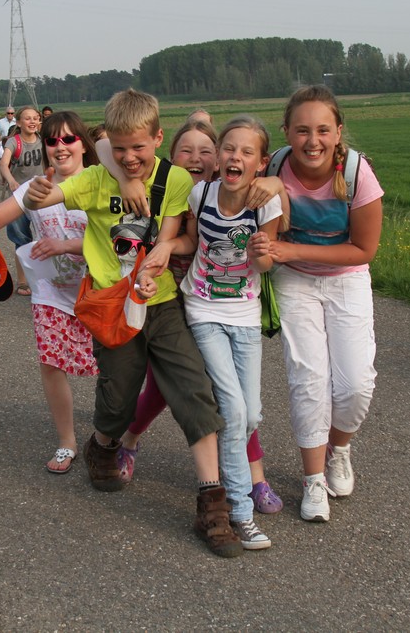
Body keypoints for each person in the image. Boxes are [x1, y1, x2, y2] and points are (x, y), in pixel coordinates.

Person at [25, 88, 242, 558]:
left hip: (160, 303)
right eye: (120, 148)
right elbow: (54, 194)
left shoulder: (176, 179)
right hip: (111, 306)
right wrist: (41, 195)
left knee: (193, 390)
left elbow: (170, 235)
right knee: (118, 399)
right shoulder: (96, 177)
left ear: (159, 139)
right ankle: (102, 443)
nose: (128, 157)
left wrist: (160, 255)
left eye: (138, 147)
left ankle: (212, 502)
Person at [112, 119, 286, 516]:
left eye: (205, 150)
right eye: (186, 151)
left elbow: (274, 208)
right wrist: (123, 179)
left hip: (220, 303)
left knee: (233, 396)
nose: (197, 158)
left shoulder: (241, 194)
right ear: (171, 159)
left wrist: (276, 184)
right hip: (168, 300)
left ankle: (254, 475)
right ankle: (130, 440)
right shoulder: (168, 193)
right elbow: (106, 146)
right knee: (166, 389)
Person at [257, 85, 384, 522]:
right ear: (286, 132)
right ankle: (313, 479)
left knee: (355, 385)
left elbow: (364, 249)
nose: (313, 141)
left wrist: (292, 250)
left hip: (346, 277)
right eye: (302, 130)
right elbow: (226, 165)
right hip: (295, 280)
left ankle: (339, 449)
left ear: (338, 132)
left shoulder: (357, 173)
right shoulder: (273, 166)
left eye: (323, 130)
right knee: (309, 378)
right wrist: (268, 186)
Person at [0, 111, 98, 473]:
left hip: (96, 292)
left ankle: (109, 433)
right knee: (51, 363)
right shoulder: (36, 187)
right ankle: (67, 441)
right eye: (52, 141)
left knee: (110, 367)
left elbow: (114, 241)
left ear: (83, 144)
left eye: (68, 139)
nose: (60, 147)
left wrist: (65, 245)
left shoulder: (101, 184)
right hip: (50, 292)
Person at [173, 115, 282, 549]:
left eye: (247, 151)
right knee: (235, 413)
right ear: (219, 156)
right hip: (203, 310)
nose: (236, 156)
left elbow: (266, 263)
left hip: (246, 315)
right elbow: (191, 241)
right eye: (229, 148)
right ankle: (241, 512)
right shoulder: (200, 194)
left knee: (251, 414)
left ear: (261, 162)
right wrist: (167, 247)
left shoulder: (266, 204)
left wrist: (260, 252)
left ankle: (232, 480)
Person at [0, 106, 44, 297]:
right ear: (18, 122)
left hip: (42, 196)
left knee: (46, 238)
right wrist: (11, 181)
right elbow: (3, 164)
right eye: (27, 118)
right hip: (19, 198)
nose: (32, 121)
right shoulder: (13, 142)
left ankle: (46, 279)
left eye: (35, 118)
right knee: (22, 240)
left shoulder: (44, 140)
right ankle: (23, 281)